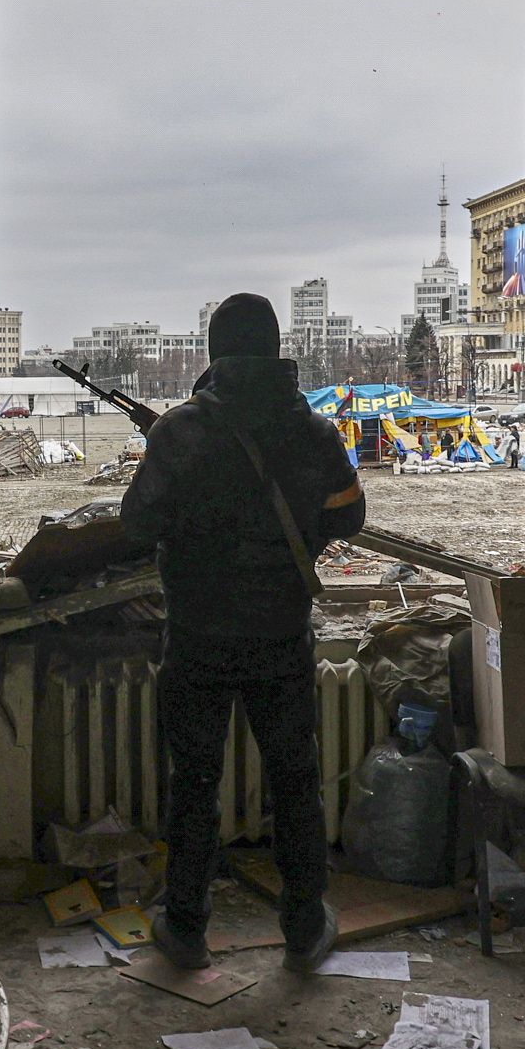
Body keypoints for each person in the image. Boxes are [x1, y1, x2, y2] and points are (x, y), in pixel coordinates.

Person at [121, 294, 366, 973]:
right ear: (275, 348)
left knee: (193, 781)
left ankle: (187, 926)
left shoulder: (180, 432)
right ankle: (303, 925)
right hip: (282, 638)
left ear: (214, 352)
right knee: (295, 779)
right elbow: (351, 516)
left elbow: (136, 524)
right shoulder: (315, 434)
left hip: (197, 638)